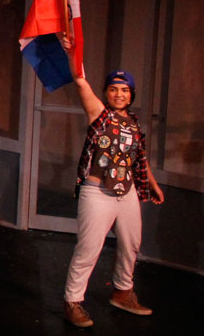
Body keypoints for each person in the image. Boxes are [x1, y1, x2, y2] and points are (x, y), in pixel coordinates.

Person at [61, 38, 164, 328]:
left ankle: (122, 292)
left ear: (131, 95)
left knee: (131, 244)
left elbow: (138, 160)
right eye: (114, 89)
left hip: (127, 193)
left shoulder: (133, 123)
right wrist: (72, 54)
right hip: (98, 191)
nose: (119, 94)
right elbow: (80, 82)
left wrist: (153, 184)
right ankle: (72, 301)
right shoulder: (99, 114)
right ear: (107, 92)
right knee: (89, 248)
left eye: (124, 90)